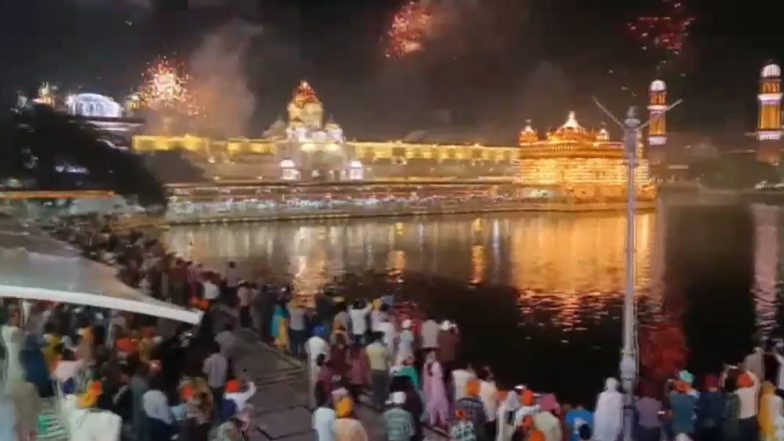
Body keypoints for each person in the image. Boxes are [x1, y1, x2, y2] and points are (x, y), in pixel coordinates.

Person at [422, 350, 450, 428]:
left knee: (431, 403)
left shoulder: (426, 365)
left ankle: (432, 421)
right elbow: (440, 375)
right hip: (437, 386)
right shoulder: (436, 364)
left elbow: (425, 376)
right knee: (440, 403)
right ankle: (443, 420)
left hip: (429, 386)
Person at [143, 376, 174, 441]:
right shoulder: (161, 397)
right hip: (159, 427)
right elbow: (165, 417)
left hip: (148, 423)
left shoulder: (145, 395)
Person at [367, 332, 392, 409]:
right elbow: (388, 358)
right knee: (383, 389)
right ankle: (382, 404)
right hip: (383, 370)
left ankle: (376, 404)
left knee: (376, 388)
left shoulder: (368, 347)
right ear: (380, 338)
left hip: (373, 370)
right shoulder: (383, 348)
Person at [203, 343, 228, 419]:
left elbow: (205, 371)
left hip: (211, 385)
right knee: (220, 402)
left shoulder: (208, 360)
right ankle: (222, 418)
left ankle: (213, 418)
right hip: (221, 384)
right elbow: (225, 371)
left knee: (211, 404)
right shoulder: (223, 359)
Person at [696, 375, 724, 441]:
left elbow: (700, 412)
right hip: (718, 426)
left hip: (705, 426)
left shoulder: (703, 396)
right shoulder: (722, 396)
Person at [736, 370, 760, 441]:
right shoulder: (753, 391)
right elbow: (757, 382)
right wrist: (748, 371)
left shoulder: (737, 393)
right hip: (752, 420)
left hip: (740, 421)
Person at [130, 362, 151, 441]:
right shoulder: (144, 387)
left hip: (132, 416)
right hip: (141, 416)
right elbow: (144, 407)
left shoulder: (132, 381)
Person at [478, 367, 499, 441]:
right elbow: (497, 401)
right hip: (490, 418)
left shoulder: (476, 385)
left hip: (479, 418)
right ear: (487, 376)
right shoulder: (491, 387)